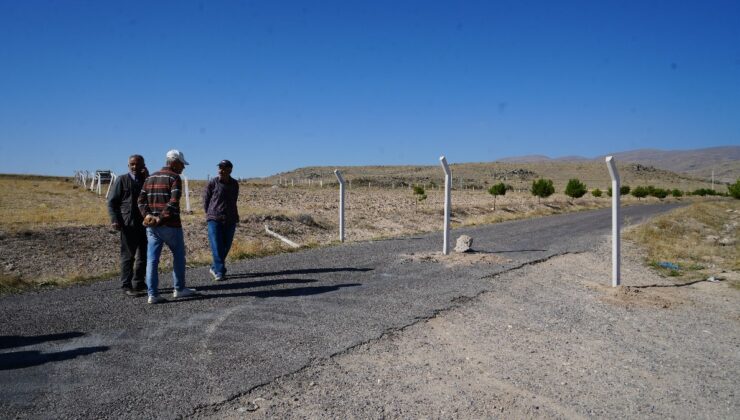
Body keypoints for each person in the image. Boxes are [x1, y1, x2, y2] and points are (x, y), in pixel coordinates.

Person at [137, 149, 198, 304]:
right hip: (171, 225)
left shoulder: (150, 177)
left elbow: (141, 200)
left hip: (152, 227)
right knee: (178, 256)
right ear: (175, 162)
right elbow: (173, 202)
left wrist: (148, 216)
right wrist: (160, 219)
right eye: (182, 164)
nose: (183, 167)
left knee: (152, 260)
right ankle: (179, 289)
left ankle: (152, 294)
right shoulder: (174, 177)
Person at [107, 154, 149, 297]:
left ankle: (139, 282)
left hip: (144, 224)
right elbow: (112, 202)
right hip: (128, 224)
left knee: (143, 255)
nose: (134, 167)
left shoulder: (146, 180)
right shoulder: (122, 180)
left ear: (144, 165)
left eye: (137, 164)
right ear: (128, 165)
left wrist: (147, 177)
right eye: (132, 164)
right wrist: (114, 219)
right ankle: (126, 285)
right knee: (128, 256)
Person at [203, 159, 240, 281]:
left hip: (230, 218)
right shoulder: (213, 182)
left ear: (230, 170)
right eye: (220, 168)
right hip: (214, 218)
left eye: (224, 168)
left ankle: (214, 267)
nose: (221, 170)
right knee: (216, 245)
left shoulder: (234, 184)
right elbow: (206, 200)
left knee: (226, 246)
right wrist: (210, 213)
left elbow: (234, 200)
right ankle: (219, 271)